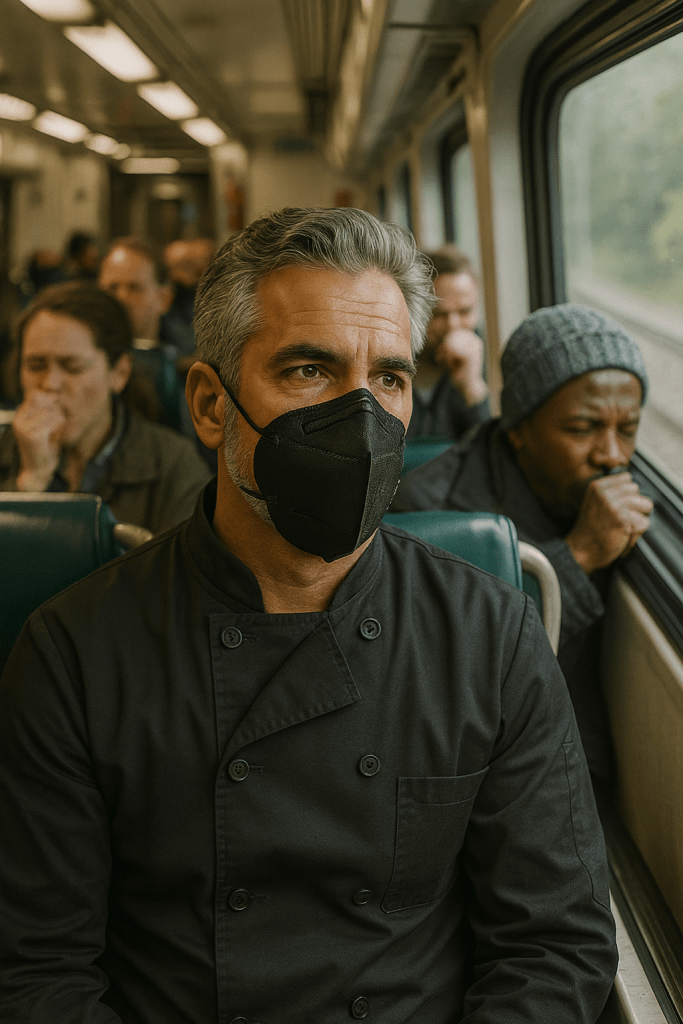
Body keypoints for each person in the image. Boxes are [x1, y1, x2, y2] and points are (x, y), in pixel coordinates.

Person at [0, 211, 616, 1024]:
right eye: (307, 370)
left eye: (388, 378)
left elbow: (555, 947)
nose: (359, 418)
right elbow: (39, 972)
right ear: (212, 405)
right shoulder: (77, 651)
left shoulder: (487, 638)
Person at [394, 303, 653, 794]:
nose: (613, 455)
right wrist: (576, 557)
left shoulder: (612, 483)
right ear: (517, 428)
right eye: (582, 429)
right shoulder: (429, 513)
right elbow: (448, 676)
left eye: (629, 429)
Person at [0, 281, 211, 533]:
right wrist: (29, 483)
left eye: (72, 367)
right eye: (35, 366)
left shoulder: (174, 466)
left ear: (119, 373)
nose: (50, 384)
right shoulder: (5, 449)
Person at [408, 244, 490, 439]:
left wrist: (472, 386)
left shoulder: (473, 354)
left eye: (464, 312)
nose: (453, 326)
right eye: (438, 314)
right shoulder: (390, 363)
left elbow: (488, 456)